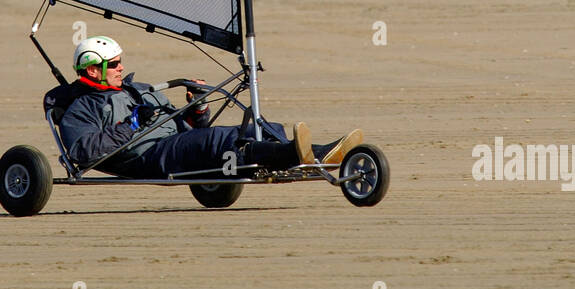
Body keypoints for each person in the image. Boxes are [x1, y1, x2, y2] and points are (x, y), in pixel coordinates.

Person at [57, 36, 362, 179]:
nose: (121, 67)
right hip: (148, 155)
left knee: (253, 126)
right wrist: (132, 125)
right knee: (220, 140)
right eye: (113, 64)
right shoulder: (80, 108)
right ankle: (297, 155)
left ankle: (320, 153)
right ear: (92, 70)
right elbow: (83, 152)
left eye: (121, 60)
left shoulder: (138, 89)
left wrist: (196, 109)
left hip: (176, 144)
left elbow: (189, 131)